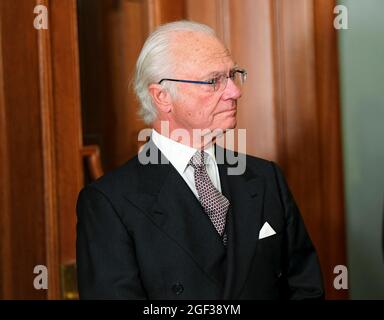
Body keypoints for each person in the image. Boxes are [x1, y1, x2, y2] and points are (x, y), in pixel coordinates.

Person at [76, 20, 324, 299]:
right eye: (213, 81)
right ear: (162, 97)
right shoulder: (109, 202)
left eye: (234, 75)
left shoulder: (267, 178)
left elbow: (306, 288)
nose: (234, 92)